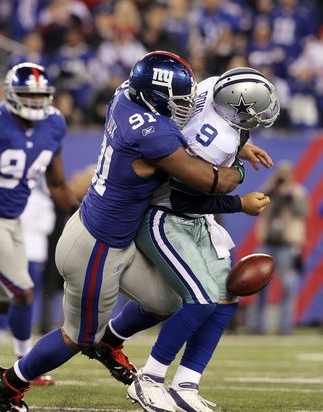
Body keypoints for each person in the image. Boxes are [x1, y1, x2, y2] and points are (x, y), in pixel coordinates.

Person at [0, 51, 246, 412]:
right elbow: (212, 181)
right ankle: (10, 383)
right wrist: (239, 163)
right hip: (97, 246)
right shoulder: (152, 134)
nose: (185, 107)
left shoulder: (126, 94)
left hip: (115, 234)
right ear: (156, 98)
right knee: (77, 337)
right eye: (178, 101)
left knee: (166, 301)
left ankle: (109, 343)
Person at [99, 67, 280, 412]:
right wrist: (239, 202)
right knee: (200, 300)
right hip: (166, 215)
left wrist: (242, 150)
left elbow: (206, 132)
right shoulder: (217, 141)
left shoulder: (213, 88)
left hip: (192, 217)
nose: (262, 117)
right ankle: (149, 379)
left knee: (227, 297)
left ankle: (186, 384)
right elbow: (186, 199)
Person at [0, 61, 78, 394]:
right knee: (22, 291)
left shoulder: (54, 123)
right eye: (28, 96)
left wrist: (80, 214)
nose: (35, 103)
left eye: (40, 96)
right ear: (11, 95)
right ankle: (24, 366)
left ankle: (21, 362)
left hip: (12, 217)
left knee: (7, 301)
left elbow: (56, 182)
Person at [249, 160, 308, 335]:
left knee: (288, 286)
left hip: (288, 245)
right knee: (260, 286)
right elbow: (257, 204)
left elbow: (302, 212)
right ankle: (258, 325)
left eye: (286, 173)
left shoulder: (298, 192)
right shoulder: (270, 190)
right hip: (267, 243)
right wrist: (272, 188)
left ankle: (285, 326)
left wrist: (288, 194)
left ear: (291, 174)